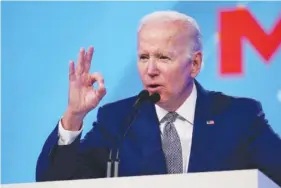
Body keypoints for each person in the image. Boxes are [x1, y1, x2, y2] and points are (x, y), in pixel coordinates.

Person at [36, 10, 281, 185]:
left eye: (163, 57)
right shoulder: (119, 120)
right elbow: (56, 182)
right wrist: (74, 116)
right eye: (144, 57)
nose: (150, 69)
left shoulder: (238, 117)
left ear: (194, 64)